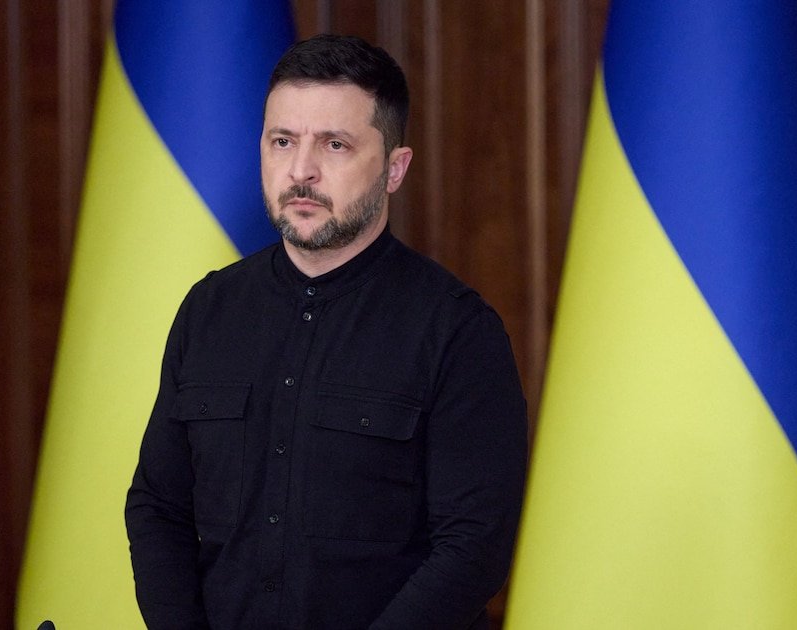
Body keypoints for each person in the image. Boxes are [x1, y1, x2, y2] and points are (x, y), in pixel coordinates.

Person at [125, 34, 528, 630]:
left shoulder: (457, 330)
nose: (301, 170)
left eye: (334, 144)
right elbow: (159, 506)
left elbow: (474, 547)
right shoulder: (208, 310)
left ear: (394, 169)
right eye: (282, 141)